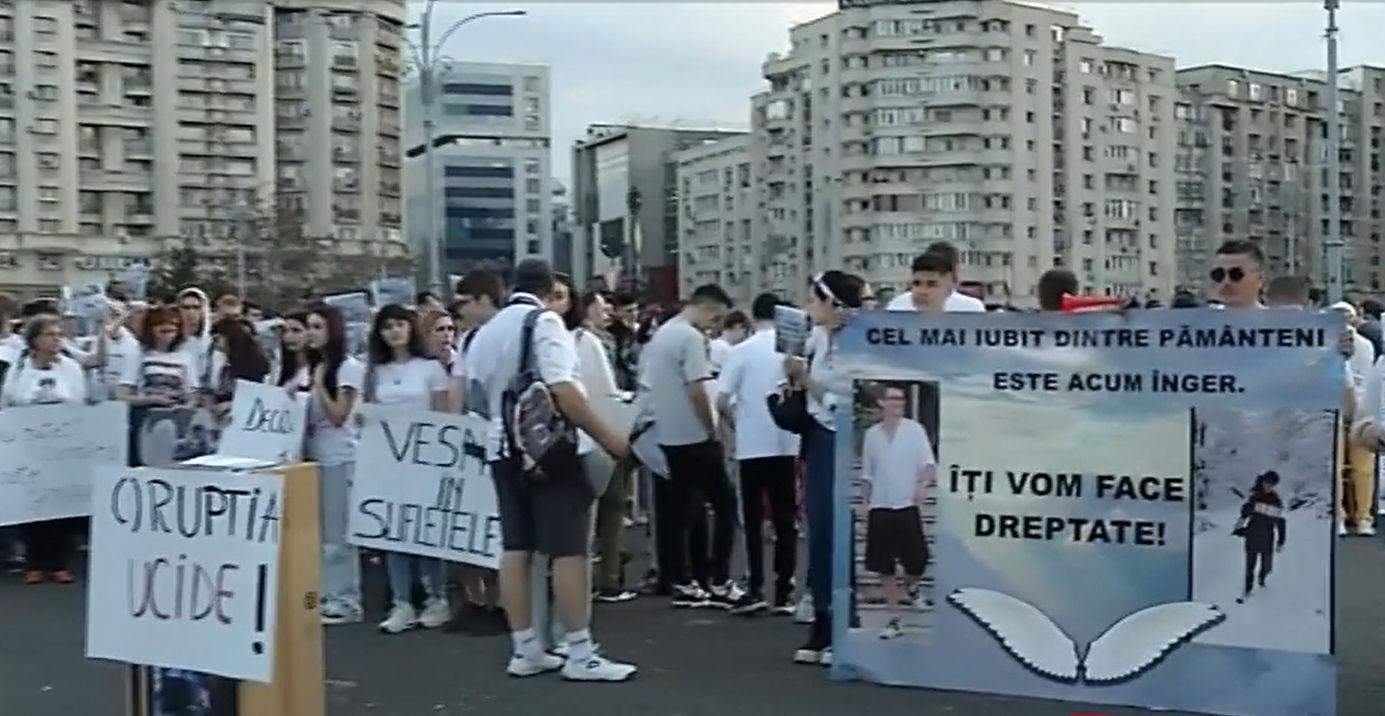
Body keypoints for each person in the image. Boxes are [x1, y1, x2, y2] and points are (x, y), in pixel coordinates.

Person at [465, 257, 637, 681]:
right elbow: (564, 391)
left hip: (502, 448)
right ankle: (580, 651)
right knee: (569, 550)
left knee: (515, 548)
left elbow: (472, 396)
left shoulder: (485, 333)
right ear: (547, 289)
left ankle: (525, 647)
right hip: (549, 453)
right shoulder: (544, 324)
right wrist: (611, 438)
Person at [644, 284, 751, 610]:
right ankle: (719, 577)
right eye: (716, 318)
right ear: (706, 307)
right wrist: (711, 428)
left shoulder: (662, 334)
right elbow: (697, 390)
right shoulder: (690, 339)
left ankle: (682, 578)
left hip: (669, 435)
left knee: (680, 511)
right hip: (695, 436)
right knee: (725, 504)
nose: (715, 326)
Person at [784, 270, 864, 666]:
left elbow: (849, 399)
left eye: (816, 300)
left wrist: (807, 382)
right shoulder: (817, 338)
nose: (809, 308)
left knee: (840, 531)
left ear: (834, 303)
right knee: (817, 529)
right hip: (816, 436)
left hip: (843, 439)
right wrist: (794, 378)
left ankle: (844, 622)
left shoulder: (858, 343)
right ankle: (821, 618)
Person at [364, 304, 453, 633]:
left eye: (400, 324)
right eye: (387, 326)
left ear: (411, 328)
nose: (394, 331)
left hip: (425, 459)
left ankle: (436, 598)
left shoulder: (431, 369)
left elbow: (444, 417)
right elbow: (370, 411)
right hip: (390, 460)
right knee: (395, 535)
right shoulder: (375, 372)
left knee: (428, 532)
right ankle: (402, 602)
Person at [716, 293, 801, 616]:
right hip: (787, 442)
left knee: (752, 519)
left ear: (752, 318)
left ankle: (755, 587)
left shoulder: (741, 352)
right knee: (785, 518)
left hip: (751, 446)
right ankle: (785, 590)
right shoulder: (791, 351)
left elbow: (721, 399)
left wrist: (735, 424)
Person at [280, 307, 362, 624]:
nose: (311, 333)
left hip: (340, 455)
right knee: (319, 534)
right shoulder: (315, 368)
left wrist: (318, 386)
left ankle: (346, 599)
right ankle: (326, 594)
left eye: (317, 327)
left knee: (337, 535)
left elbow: (339, 415)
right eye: (309, 327)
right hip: (311, 455)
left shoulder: (347, 368)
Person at [1, 316, 88, 585]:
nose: (56, 339)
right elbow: (10, 401)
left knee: (60, 504)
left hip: (61, 446)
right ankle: (35, 562)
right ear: (35, 340)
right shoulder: (19, 368)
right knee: (31, 505)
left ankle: (59, 562)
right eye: (50, 334)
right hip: (29, 446)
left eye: (59, 334)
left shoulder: (71, 368)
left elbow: (80, 402)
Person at [445, 269, 507, 635]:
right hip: (472, 439)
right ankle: (474, 598)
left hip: (500, 438)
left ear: (483, 299)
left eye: (466, 303)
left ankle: (500, 599)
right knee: (467, 521)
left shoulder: (507, 335)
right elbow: (460, 382)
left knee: (498, 523)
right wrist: (452, 426)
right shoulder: (469, 341)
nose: (461, 311)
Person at [572, 290, 638, 603]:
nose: (608, 311)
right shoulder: (589, 343)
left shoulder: (572, 338)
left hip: (577, 433)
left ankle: (594, 575)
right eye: (601, 306)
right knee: (611, 505)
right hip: (601, 429)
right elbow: (606, 390)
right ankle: (607, 578)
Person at [859, 383, 935, 639]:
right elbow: (867, 474)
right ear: (882, 403)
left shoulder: (915, 431)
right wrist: (865, 502)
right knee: (884, 565)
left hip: (906, 504)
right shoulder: (872, 435)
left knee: (918, 559)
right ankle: (894, 618)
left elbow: (927, 464)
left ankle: (912, 588)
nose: (897, 404)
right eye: (892, 399)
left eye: (901, 400)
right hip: (881, 505)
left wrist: (922, 486)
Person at [1332, 302, 1376, 536]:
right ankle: (1363, 518)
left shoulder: (1327, 343)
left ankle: (1340, 516)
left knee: (1336, 467)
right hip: (1362, 408)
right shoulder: (1366, 345)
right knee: (1363, 469)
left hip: (1335, 406)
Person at [116, 305, 199, 407]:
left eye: (172, 331)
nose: (169, 335)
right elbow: (122, 395)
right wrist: (150, 400)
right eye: (163, 331)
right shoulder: (139, 355)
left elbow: (192, 395)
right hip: (145, 413)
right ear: (151, 330)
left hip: (176, 413)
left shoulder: (185, 358)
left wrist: (184, 407)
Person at [886, 242, 985, 313]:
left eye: (932, 284)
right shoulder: (897, 307)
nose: (922, 291)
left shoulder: (971, 309)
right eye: (916, 283)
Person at [1235, 471, 1287, 604]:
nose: (1269, 486)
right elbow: (1244, 515)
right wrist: (1238, 528)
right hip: (1252, 534)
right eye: (1267, 483)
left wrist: (1281, 540)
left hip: (1268, 535)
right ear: (1263, 482)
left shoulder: (1275, 500)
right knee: (1250, 564)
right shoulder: (1254, 497)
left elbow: (1280, 521)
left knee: (1266, 564)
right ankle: (1247, 588)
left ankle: (1262, 578)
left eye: (1272, 484)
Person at [208, 317, 270, 415]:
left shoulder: (253, 361)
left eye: (217, 339)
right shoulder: (227, 361)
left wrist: (230, 404)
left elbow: (256, 394)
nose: (214, 343)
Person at [1209, 240, 1265, 309]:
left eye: (1235, 274)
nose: (1226, 281)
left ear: (1260, 278)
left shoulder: (1274, 319)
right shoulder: (1201, 318)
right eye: (1219, 275)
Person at [708, 310, 749, 376]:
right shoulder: (726, 350)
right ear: (738, 326)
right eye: (745, 332)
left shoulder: (712, 344)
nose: (744, 337)